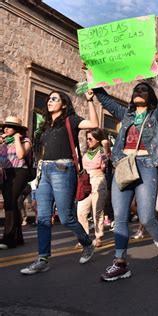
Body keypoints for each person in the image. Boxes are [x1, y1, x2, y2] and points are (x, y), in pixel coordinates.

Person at [91, 54, 158, 281]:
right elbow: (104, 99)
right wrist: (92, 74)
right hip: (124, 165)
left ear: (150, 97)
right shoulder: (124, 114)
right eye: (136, 90)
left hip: (147, 165)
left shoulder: (156, 116)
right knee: (120, 217)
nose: (139, 92)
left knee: (146, 217)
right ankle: (120, 263)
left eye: (144, 90)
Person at [20, 90, 99, 275]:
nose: (49, 101)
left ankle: (87, 243)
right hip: (44, 171)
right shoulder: (45, 126)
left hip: (63, 170)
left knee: (65, 217)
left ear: (63, 104)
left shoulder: (71, 120)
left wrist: (90, 100)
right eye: (49, 98)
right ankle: (42, 259)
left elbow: (94, 124)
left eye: (54, 99)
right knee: (43, 218)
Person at [0, 116, 33, 250]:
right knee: (11, 203)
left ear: (17, 129)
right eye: (4, 127)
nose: (5, 129)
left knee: (10, 202)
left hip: (20, 172)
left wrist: (16, 139)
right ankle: (17, 237)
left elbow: (20, 155)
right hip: (5, 173)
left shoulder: (25, 140)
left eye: (9, 126)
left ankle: (9, 238)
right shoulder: (3, 143)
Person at [76, 128, 110, 248]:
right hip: (85, 181)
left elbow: (106, 161)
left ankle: (98, 236)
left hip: (98, 179)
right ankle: (84, 238)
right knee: (81, 211)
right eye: (87, 138)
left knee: (97, 210)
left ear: (97, 139)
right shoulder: (85, 152)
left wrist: (106, 145)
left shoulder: (101, 150)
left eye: (90, 138)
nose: (88, 140)